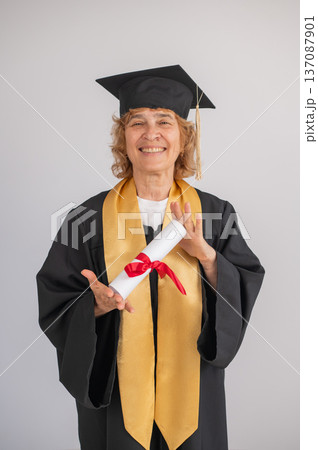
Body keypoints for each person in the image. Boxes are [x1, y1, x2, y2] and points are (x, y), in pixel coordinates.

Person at [36, 65, 265, 450]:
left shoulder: (216, 214)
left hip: (192, 395)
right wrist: (93, 308)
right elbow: (55, 296)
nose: (151, 133)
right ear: (123, 139)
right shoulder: (85, 219)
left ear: (184, 138)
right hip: (118, 393)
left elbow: (244, 283)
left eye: (165, 122)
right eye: (137, 122)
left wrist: (208, 258)